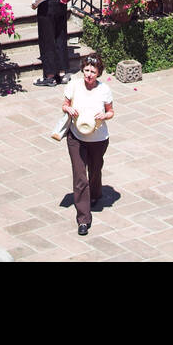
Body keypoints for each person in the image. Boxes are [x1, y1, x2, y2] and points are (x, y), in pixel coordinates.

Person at [61, 54, 113, 235]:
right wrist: (68, 108)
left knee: (95, 168)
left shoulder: (104, 90)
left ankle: (96, 193)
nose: (89, 74)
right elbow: (64, 105)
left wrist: (104, 116)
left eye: (93, 71)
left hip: (98, 139)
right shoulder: (73, 85)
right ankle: (83, 219)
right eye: (87, 70)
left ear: (98, 73)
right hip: (76, 137)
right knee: (80, 176)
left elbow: (111, 111)